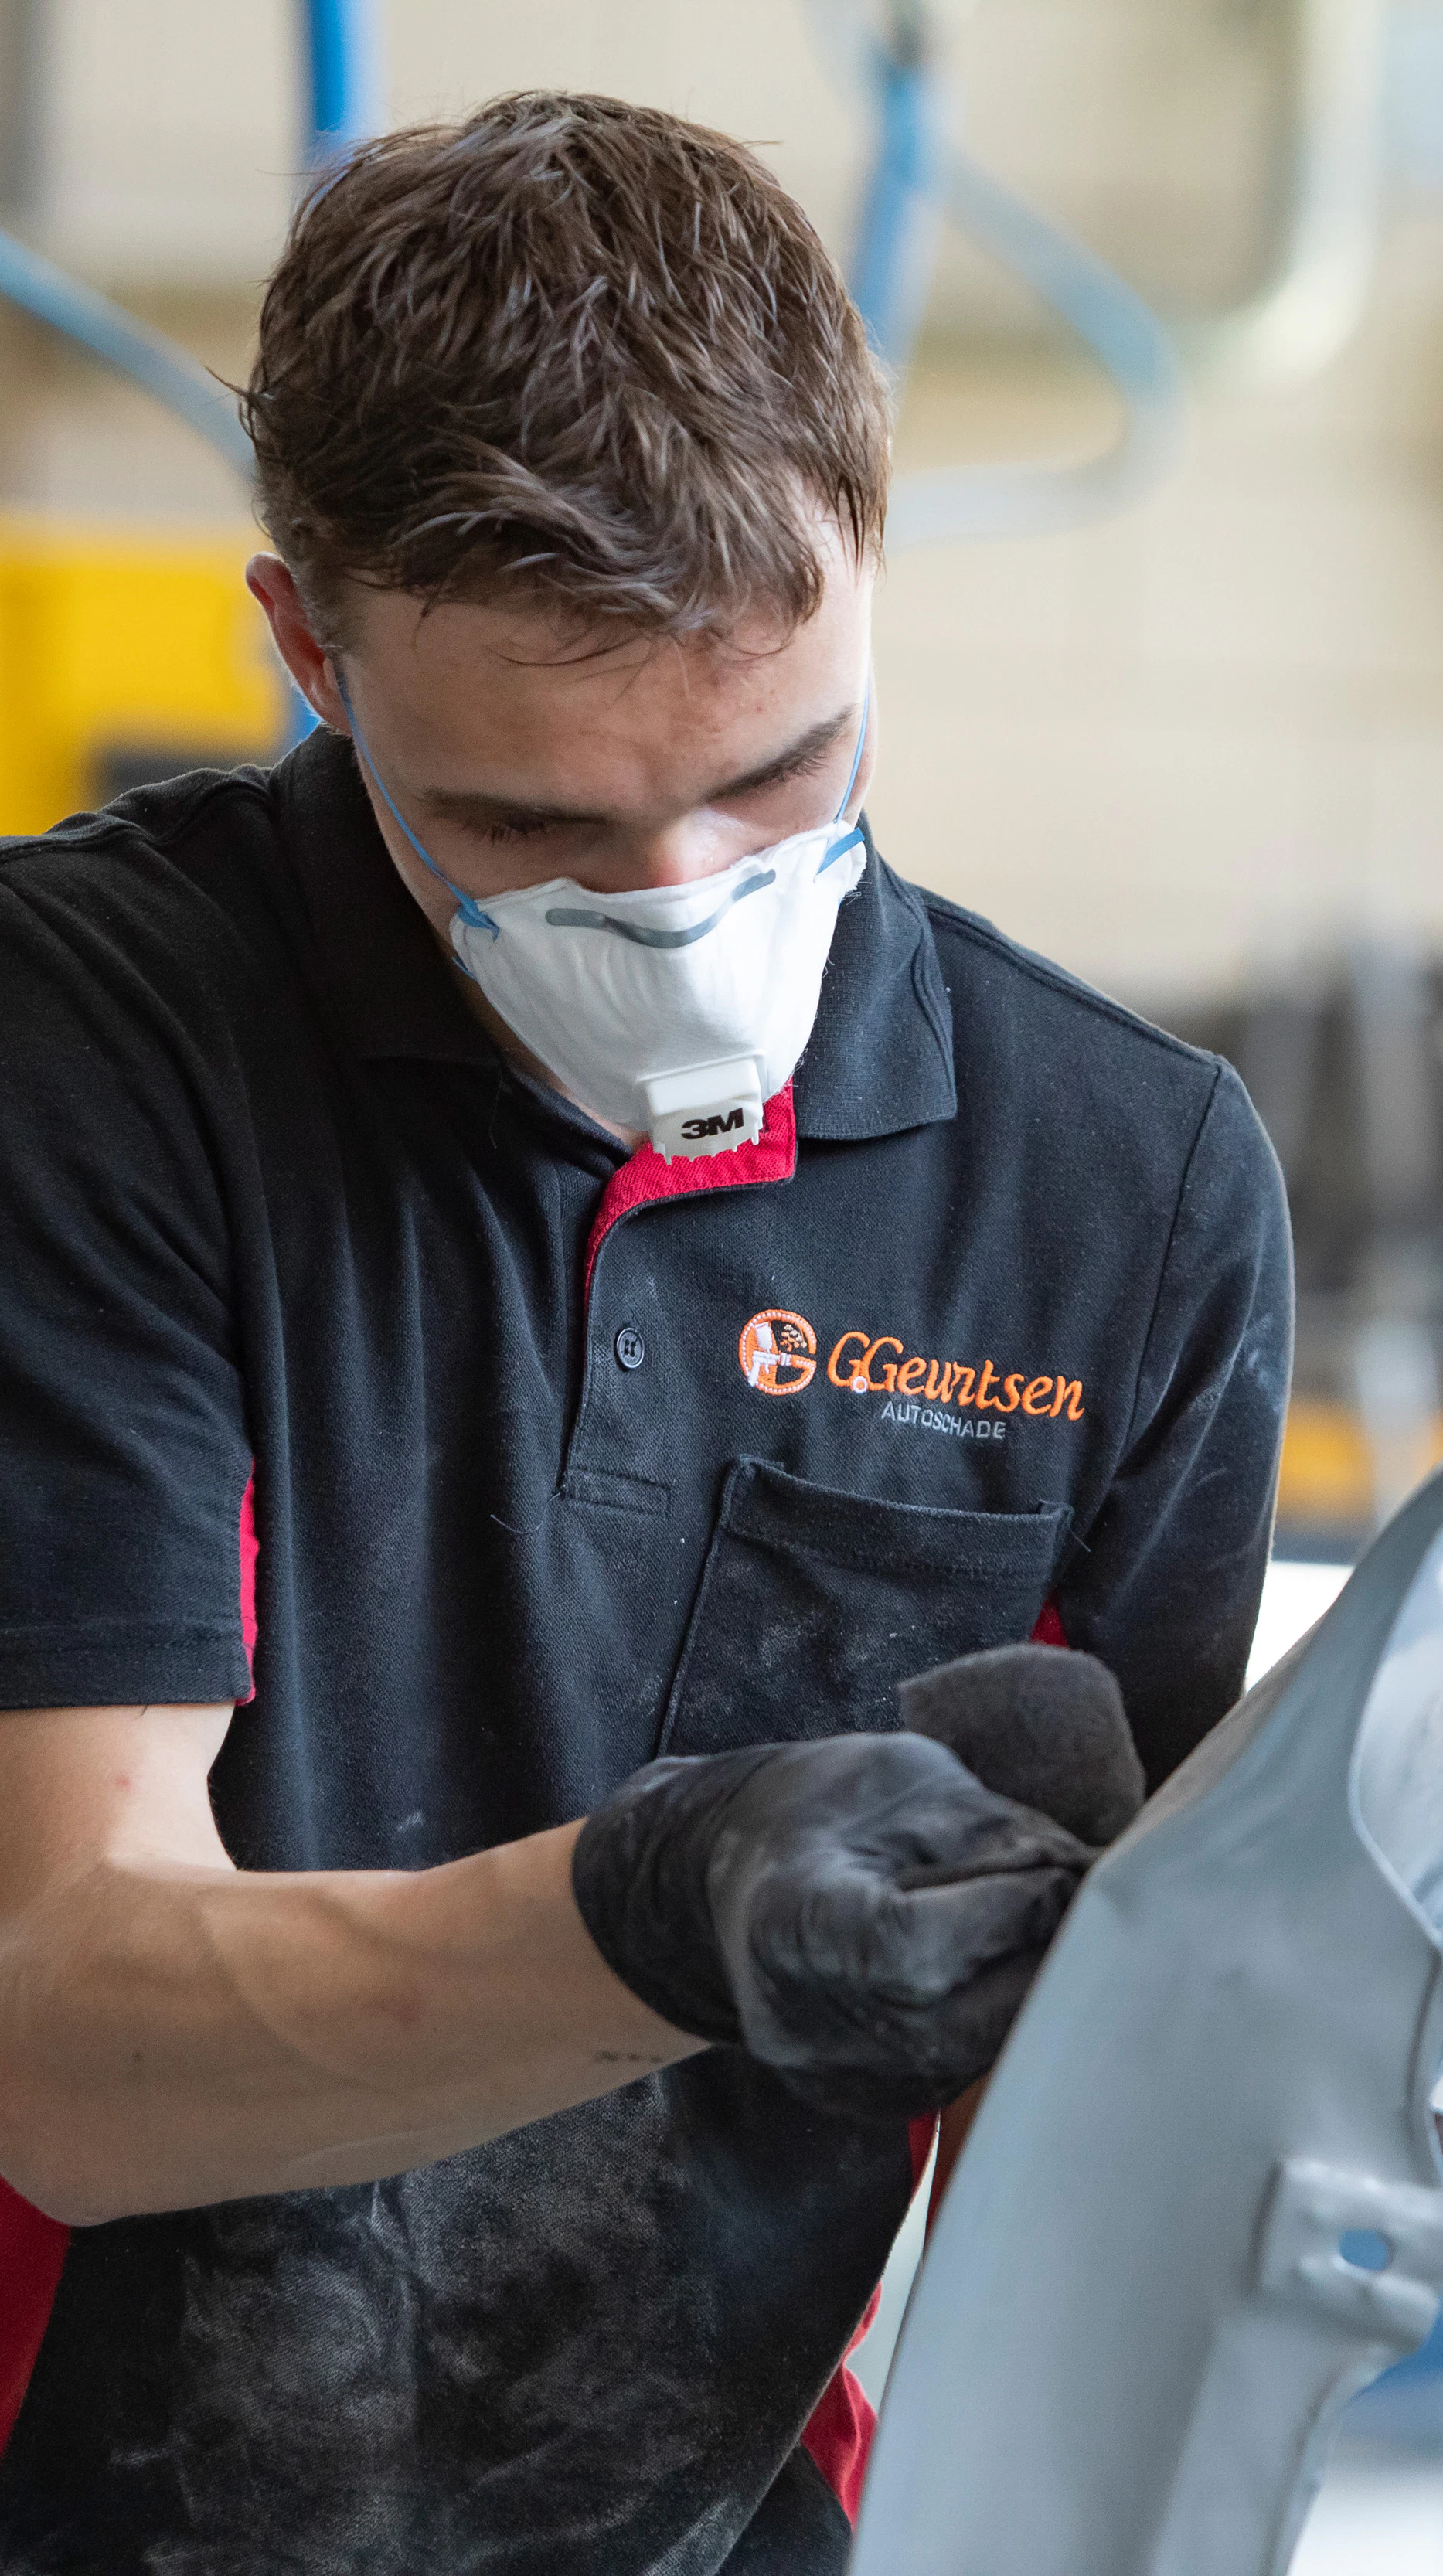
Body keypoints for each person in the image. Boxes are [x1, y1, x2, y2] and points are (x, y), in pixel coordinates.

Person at [0, 91, 1291, 2574]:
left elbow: (1086, 2150)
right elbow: (62, 2024)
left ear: (871, 561)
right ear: (305, 646)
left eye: (778, 770)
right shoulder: (88, 1057)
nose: (689, 907)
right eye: (532, 831)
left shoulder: (1125, 1198)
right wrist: (658, 1906)